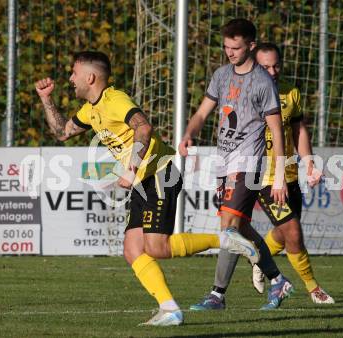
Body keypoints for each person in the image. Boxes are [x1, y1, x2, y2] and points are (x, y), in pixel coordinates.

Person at [35, 51, 263, 327]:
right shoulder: (90, 110)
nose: (71, 78)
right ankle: (170, 309)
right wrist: (46, 99)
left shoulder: (115, 100)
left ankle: (225, 241)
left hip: (158, 174)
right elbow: (62, 132)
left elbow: (143, 128)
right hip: (144, 181)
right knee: (132, 250)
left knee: (156, 247)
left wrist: (130, 169)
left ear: (90, 77)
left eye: (74, 73)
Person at [189, 42, 335, 311]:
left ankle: (266, 271)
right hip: (258, 174)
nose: (272, 70)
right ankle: (309, 287)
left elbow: (298, 130)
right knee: (275, 229)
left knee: (274, 233)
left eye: (276, 65)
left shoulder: (290, 92)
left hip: (284, 174)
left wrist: (309, 164)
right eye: (266, 66)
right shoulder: (245, 86)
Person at [179, 19, 294, 312]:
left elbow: (277, 131)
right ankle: (278, 280)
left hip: (249, 165)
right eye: (227, 47)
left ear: (251, 47)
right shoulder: (221, 75)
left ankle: (217, 295)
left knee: (228, 227)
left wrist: (279, 177)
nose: (230, 52)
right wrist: (190, 133)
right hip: (224, 164)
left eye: (236, 47)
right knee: (241, 230)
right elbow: (203, 112)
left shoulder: (263, 82)